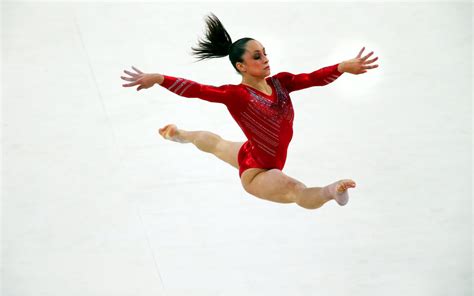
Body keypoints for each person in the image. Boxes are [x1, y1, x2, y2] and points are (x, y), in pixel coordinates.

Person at [121, 13, 379, 209]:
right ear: (241, 66)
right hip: (257, 173)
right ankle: (331, 192)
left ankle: (180, 133)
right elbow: (198, 90)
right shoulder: (237, 95)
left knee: (214, 143)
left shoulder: (281, 83)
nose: (265, 59)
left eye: (264, 53)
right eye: (257, 56)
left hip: (251, 152)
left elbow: (312, 78)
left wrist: (341, 67)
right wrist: (159, 78)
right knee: (296, 190)